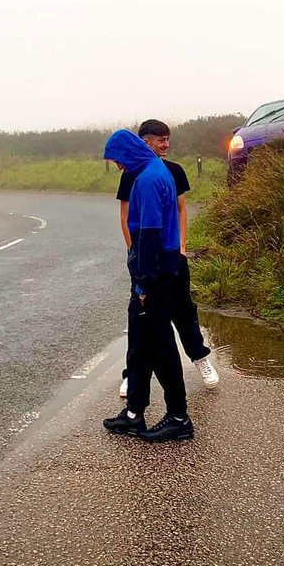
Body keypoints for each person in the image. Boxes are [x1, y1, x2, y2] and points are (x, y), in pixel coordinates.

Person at [102, 128, 194, 443]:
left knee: (160, 346)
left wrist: (142, 285)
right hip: (154, 270)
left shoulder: (149, 181)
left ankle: (179, 418)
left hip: (155, 273)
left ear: (128, 153)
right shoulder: (151, 171)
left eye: (117, 160)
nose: (118, 166)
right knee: (139, 345)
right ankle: (133, 413)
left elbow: (150, 235)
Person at [116, 119, 218, 396]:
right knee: (140, 319)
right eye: (160, 139)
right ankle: (133, 375)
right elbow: (126, 217)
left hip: (173, 256)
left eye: (167, 138)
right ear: (145, 141)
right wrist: (133, 253)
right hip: (144, 261)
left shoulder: (173, 171)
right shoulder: (132, 174)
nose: (166, 144)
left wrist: (182, 246)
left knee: (183, 310)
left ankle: (200, 358)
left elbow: (181, 210)